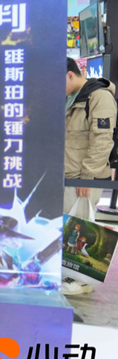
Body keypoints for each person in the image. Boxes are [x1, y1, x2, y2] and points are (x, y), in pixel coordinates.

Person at [62, 57, 117, 295]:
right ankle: (68, 273)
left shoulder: (99, 97)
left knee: (83, 224)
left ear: (70, 74)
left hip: (84, 178)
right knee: (70, 223)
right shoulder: (71, 97)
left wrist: (87, 176)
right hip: (68, 174)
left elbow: (102, 141)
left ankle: (82, 282)